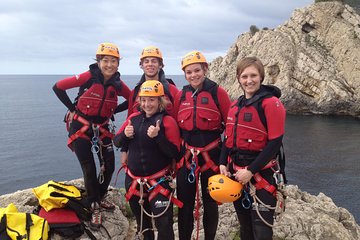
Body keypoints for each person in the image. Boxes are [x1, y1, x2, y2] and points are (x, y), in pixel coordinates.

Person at [52, 42, 131, 229]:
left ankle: (98, 197)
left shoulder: (118, 84)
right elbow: (58, 87)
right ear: (98, 61)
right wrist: (72, 109)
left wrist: (114, 111)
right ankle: (93, 205)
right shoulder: (88, 77)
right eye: (105, 60)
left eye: (113, 61)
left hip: (101, 129)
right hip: (80, 127)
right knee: (88, 167)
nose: (109, 65)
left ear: (118, 64)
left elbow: (133, 99)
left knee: (110, 166)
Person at [219, 56, 286, 240]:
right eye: (244, 76)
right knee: (245, 225)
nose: (249, 81)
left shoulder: (271, 104)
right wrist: (222, 163)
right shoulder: (235, 105)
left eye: (253, 75)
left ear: (261, 77)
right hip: (237, 175)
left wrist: (250, 171)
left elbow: (274, 143)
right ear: (239, 78)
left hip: (261, 175)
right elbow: (228, 138)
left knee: (262, 228)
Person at [173, 51, 231, 240]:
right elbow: (173, 126)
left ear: (205, 70)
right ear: (185, 75)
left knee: (211, 202)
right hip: (187, 157)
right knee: (185, 204)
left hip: (212, 156)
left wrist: (225, 160)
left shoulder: (218, 92)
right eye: (189, 72)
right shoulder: (181, 95)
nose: (193, 75)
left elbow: (230, 127)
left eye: (197, 70)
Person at [113, 80, 181, 240]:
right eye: (143, 100)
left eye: (151, 100)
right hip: (134, 182)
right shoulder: (133, 119)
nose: (147, 104)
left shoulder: (167, 121)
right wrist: (124, 135)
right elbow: (117, 141)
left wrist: (158, 137)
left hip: (159, 182)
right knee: (143, 225)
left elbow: (175, 153)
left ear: (160, 101)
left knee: (164, 225)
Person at [121, 46, 179, 166]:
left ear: (160, 65)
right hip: (139, 152)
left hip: (164, 153)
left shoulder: (172, 91)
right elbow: (129, 122)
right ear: (141, 65)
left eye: (154, 61)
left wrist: (175, 157)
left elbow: (177, 124)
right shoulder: (135, 92)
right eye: (146, 61)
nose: (150, 64)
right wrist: (124, 150)